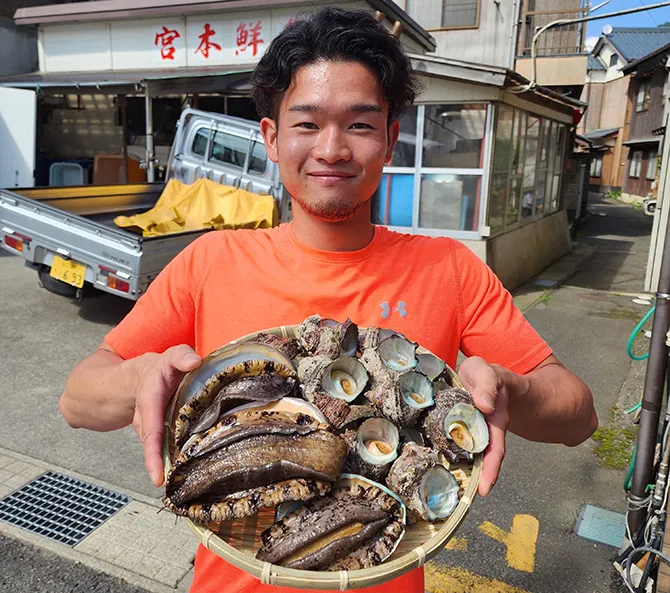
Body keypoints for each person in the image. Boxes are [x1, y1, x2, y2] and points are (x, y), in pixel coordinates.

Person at [59, 7, 598, 593]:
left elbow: (579, 415)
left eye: (361, 125)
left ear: (391, 139)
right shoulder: (211, 261)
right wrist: (140, 378)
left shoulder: (450, 269)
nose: (333, 149)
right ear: (271, 137)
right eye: (307, 124)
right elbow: (77, 400)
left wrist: (512, 389)